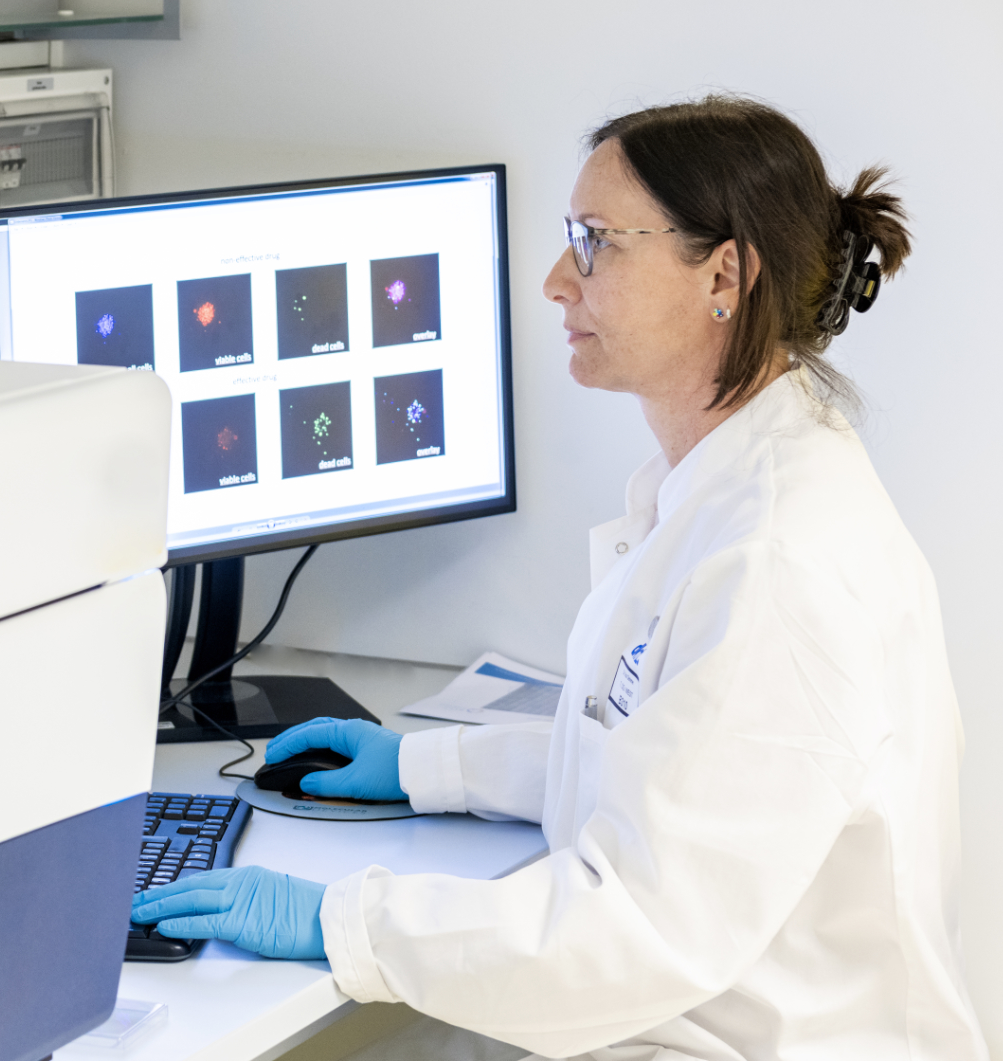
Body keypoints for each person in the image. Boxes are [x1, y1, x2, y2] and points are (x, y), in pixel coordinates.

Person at [131, 96, 989, 1059]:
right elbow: (657, 759)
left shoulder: (778, 564)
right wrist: (426, 768)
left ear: (724, 276)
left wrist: (343, 922)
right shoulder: (727, 491)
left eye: (595, 243)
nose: (553, 281)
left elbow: (631, 932)